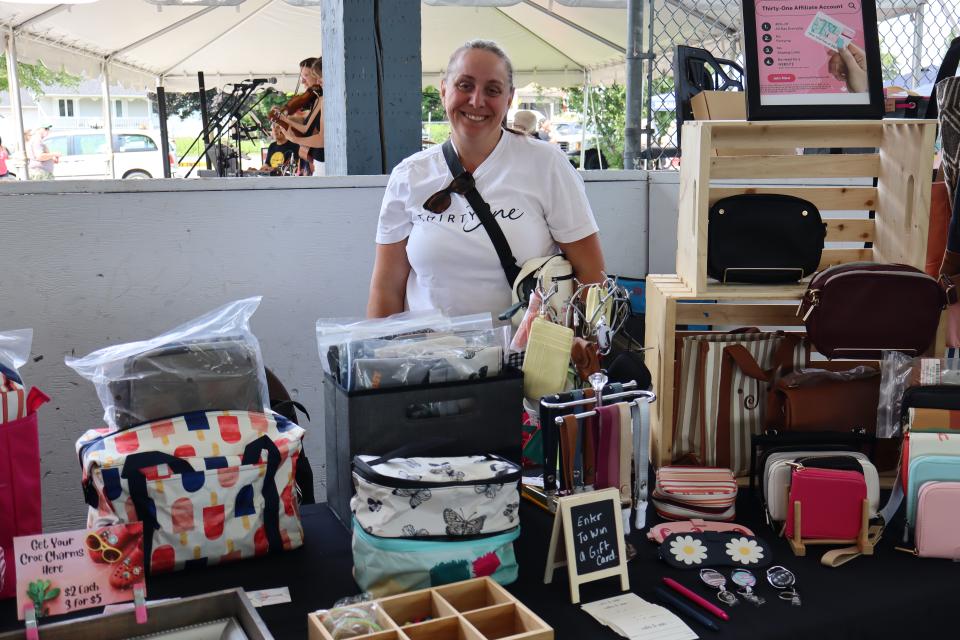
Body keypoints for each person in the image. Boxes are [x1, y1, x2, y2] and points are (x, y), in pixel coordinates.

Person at [367, 39, 604, 319]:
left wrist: (582, 352)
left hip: (526, 359)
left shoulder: (547, 165)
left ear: (509, 98)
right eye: (464, 85)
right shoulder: (409, 175)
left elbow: (591, 276)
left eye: (492, 90)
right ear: (444, 90)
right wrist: (379, 358)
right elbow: (386, 288)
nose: (477, 101)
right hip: (430, 357)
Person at [277, 58, 325, 176]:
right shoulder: (317, 99)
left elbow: (322, 139)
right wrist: (285, 120)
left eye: (307, 75)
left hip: (324, 162)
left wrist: (294, 139)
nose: (302, 81)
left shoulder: (323, 99)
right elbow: (306, 128)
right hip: (317, 162)